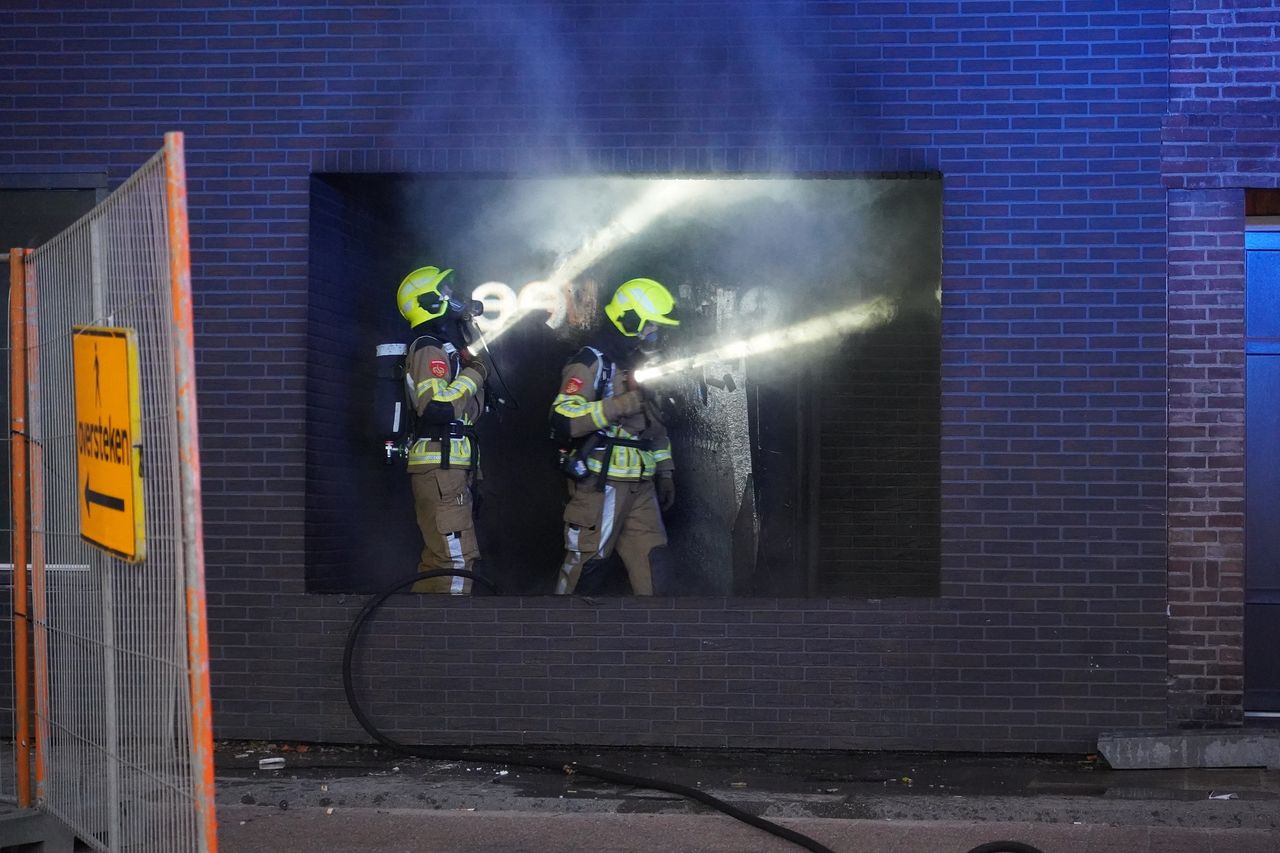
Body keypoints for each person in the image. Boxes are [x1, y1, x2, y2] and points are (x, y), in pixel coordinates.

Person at [548, 277, 680, 596]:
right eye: (650, 326)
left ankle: (657, 642)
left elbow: (655, 426)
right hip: (600, 485)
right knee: (586, 564)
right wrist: (617, 405)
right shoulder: (592, 362)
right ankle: (563, 637)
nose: (654, 333)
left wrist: (665, 472)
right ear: (630, 318)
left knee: (654, 566)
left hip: (640, 486)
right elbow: (563, 420)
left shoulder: (640, 366)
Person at [397, 266, 487, 594]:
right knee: (456, 563)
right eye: (444, 292)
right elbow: (437, 407)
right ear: (428, 301)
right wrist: (475, 374)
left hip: (446, 470)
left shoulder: (441, 347)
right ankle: (451, 639)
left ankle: (421, 635)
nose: (452, 298)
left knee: (438, 562)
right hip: (440, 471)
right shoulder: (428, 347)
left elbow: (465, 413)